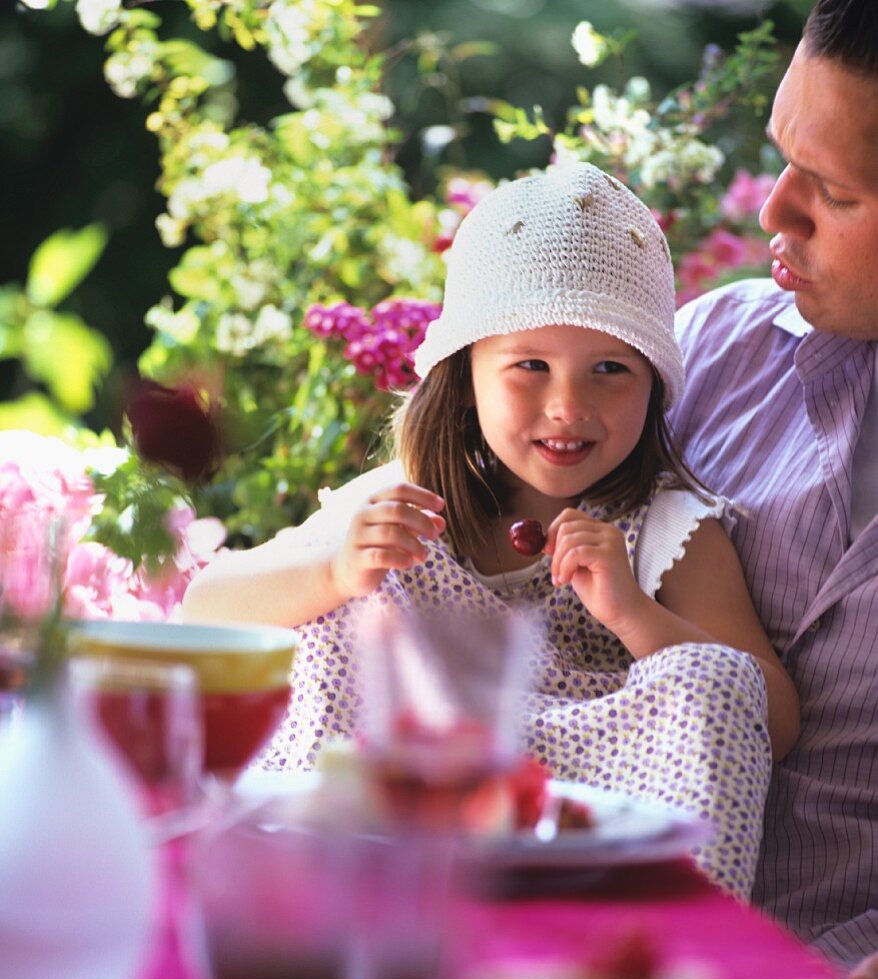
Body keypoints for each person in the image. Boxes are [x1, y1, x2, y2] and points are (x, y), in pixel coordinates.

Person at [184, 161, 799, 899]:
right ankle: (324, 888)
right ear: (466, 375)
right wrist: (335, 572)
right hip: (417, 789)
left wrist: (635, 616)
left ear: (655, 383)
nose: (569, 405)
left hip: (594, 804)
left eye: (610, 369)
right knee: (357, 603)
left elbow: (770, 713)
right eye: (530, 366)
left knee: (712, 674)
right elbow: (205, 609)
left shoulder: (669, 529)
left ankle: (656, 925)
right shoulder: (407, 498)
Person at [671, 0, 878, 965]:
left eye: (833, 193)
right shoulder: (710, 351)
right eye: (782, 158)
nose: (772, 212)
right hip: (603, 958)